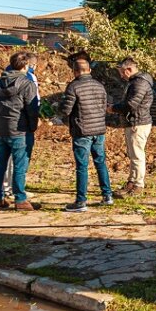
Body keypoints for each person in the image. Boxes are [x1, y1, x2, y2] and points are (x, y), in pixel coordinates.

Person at [56, 54, 113, 212]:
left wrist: (58, 108)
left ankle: (81, 201)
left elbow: (66, 110)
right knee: (100, 163)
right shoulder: (99, 85)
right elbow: (105, 106)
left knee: (82, 166)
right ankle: (107, 195)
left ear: (75, 71)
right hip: (99, 130)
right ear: (89, 70)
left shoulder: (73, 86)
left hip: (82, 130)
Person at [0, 51, 38, 211]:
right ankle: (20, 199)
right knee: (20, 166)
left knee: (0, 164)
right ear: (25, 65)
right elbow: (32, 109)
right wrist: (32, 127)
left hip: (2, 129)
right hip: (20, 130)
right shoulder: (27, 84)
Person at [108, 57, 154, 199]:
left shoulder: (139, 83)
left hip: (137, 123)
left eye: (122, 72)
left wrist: (113, 108)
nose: (121, 76)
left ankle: (138, 185)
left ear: (129, 69)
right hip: (135, 122)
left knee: (137, 155)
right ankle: (132, 182)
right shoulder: (136, 82)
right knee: (133, 154)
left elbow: (131, 104)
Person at [1, 52, 40, 200]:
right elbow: (33, 104)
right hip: (20, 125)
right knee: (20, 159)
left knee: (6, 157)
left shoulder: (3, 78)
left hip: (3, 123)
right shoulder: (29, 79)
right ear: (28, 65)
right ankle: (18, 191)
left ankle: (5, 188)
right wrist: (33, 125)